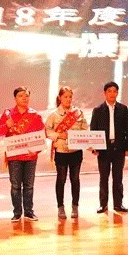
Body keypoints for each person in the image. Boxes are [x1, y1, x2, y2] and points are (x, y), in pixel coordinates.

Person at [0, 86, 45, 222]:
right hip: (14, 156)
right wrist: (7, 126)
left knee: (29, 186)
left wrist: (36, 150)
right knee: (16, 186)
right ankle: (17, 212)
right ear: (15, 98)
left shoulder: (35, 115)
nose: (24, 98)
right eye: (21, 95)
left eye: (26, 95)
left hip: (30, 156)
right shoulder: (8, 114)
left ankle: (29, 212)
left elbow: (42, 135)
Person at [45, 86, 88, 219]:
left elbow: (85, 130)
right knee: (61, 179)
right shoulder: (54, 115)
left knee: (75, 179)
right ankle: (60, 207)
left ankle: (75, 206)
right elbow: (47, 131)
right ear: (60, 98)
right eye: (65, 97)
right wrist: (59, 135)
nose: (68, 99)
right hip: (61, 151)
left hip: (76, 151)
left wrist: (78, 136)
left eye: (70, 97)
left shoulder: (78, 113)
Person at [90, 81, 128, 214]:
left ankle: (118, 204)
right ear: (105, 93)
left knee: (118, 177)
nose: (112, 94)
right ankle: (103, 205)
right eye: (109, 91)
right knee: (104, 178)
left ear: (117, 93)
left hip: (119, 148)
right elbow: (93, 130)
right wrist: (94, 147)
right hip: (103, 149)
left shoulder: (123, 109)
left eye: (114, 91)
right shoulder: (98, 110)